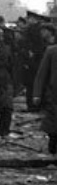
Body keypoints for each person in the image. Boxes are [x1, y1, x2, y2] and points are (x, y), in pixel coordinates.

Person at [33, 24, 57, 154]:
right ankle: (53, 151)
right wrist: (37, 94)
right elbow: (41, 74)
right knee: (53, 126)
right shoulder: (51, 51)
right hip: (54, 94)